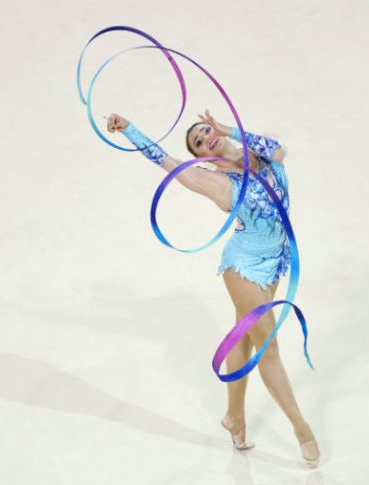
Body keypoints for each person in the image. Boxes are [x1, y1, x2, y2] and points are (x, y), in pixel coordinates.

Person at [106, 110, 320, 468]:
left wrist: (230, 130)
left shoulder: (264, 155)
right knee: (268, 349)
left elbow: (280, 148)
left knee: (246, 339)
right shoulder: (218, 183)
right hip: (244, 268)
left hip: (275, 264)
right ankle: (303, 430)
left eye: (207, 131)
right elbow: (165, 160)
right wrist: (129, 129)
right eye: (200, 143)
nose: (208, 138)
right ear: (203, 156)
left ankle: (233, 417)